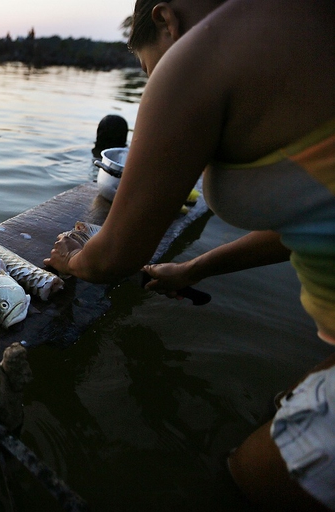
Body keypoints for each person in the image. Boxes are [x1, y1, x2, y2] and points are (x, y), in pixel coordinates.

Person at [43, 0, 335, 509]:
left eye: (149, 69)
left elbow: (114, 255)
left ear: (166, 20)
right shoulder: (298, 27)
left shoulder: (202, 56)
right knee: (280, 407)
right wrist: (196, 267)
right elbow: (309, 221)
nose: (155, 81)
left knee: (246, 480)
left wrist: (74, 258)